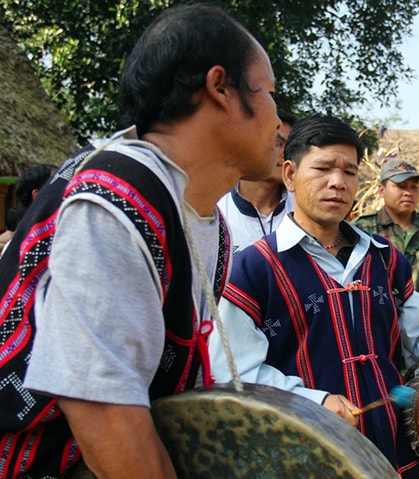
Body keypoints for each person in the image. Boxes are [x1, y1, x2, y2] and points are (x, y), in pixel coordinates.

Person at [0, 4, 280, 478]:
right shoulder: (114, 196)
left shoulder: (205, 218)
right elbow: (105, 415)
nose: (278, 117)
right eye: (270, 92)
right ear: (220, 88)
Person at [209, 115, 419, 479]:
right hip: (306, 456)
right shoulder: (253, 269)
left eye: (349, 171)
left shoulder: (386, 258)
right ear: (289, 175)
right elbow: (231, 370)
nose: (337, 182)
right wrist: (315, 401)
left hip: (392, 450)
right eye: (323, 168)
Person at [352, 157, 419, 292]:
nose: (408, 193)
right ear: (381, 190)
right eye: (401, 186)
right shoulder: (361, 229)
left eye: (414, 187)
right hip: (377, 311)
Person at [218, 109, 298, 258]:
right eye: (278, 143)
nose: (286, 154)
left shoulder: (303, 209)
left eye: (292, 147)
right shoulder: (217, 212)